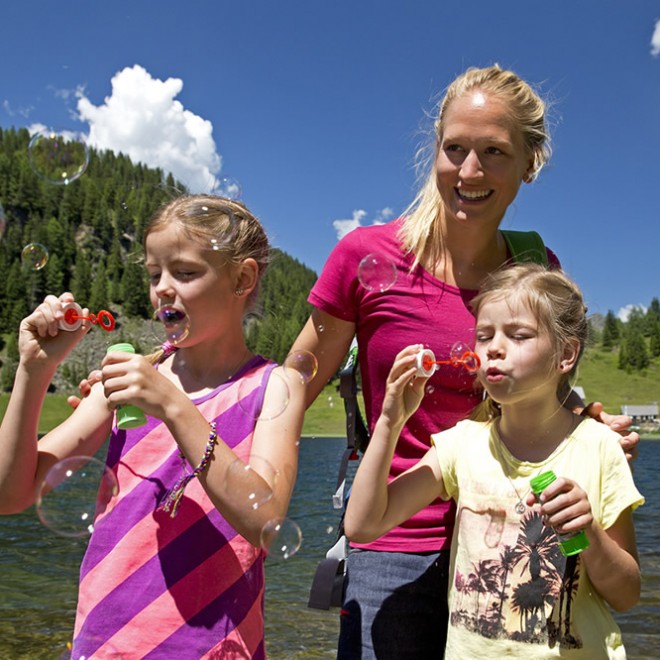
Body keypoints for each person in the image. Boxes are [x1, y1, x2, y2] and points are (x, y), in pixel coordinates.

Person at [290, 64, 639, 658]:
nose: (469, 171)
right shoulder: (365, 255)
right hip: (396, 536)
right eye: (455, 148)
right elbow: (297, 376)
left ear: (529, 163)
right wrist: (210, 431)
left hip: (513, 532)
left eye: (495, 152)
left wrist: (585, 427)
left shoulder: (537, 265)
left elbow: (545, 389)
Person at [0, 195, 306, 659]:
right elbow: (11, 493)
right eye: (153, 274)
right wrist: (34, 371)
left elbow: (264, 519)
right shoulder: (127, 380)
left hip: (211, 649)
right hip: (105, 645)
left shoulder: (274, 386)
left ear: (243, 278)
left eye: (183, 273)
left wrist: (173, 405)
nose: (162, 288)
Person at [345, 263, 643, 658]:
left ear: (566, 354)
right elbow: (363, 525)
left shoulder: (601, 447)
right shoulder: (461, 446)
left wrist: (588, 532)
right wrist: (390, 419)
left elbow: (625, 595)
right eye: (484, 337)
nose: (494, 348)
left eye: (518, 335)